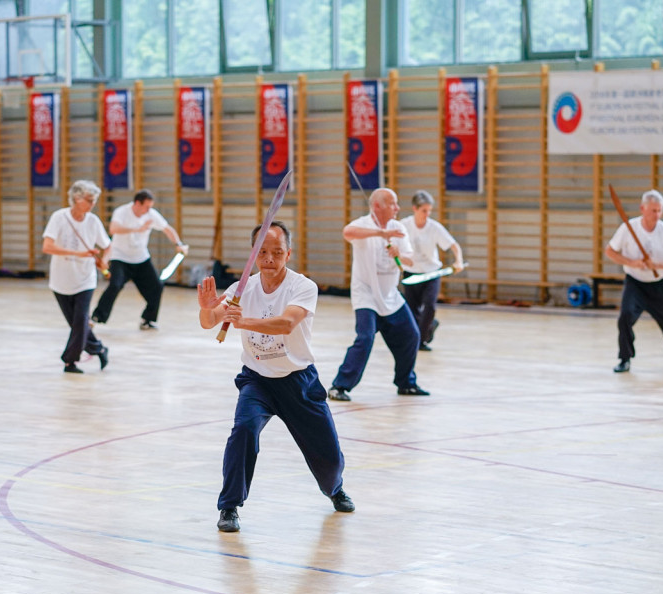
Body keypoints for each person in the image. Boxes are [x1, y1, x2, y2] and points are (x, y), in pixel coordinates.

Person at [197, 221, 354, 533]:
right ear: (254, 254)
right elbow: (210, 321)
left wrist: (241, 323)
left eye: (277, 252)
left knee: (329, 458)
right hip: (257, 381)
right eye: (263, 251)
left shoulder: (303, 287)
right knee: (243, 430)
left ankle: (334, 489)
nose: (269, 257)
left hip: (299, 382)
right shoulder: (242, 289)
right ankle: (229, 506)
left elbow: (285, 324)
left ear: (288, 253)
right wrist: (207, 308)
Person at [328, 188, 428, 401]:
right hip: (366, 296)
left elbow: (410, 261)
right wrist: (380, 234)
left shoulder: (398, 227)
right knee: (364, 339)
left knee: (412, 335)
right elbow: (348, 232)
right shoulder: (363, 224)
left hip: (391, 296)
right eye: (393, 204)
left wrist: (399, 254)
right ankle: (339, 386)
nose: (397, 208)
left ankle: (406, 383)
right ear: (377, 206)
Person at [605, 189, 663, 373]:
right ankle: (625, 358)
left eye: (659, 211)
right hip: (635, 283)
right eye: (653, 210)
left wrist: (658, 264)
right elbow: (610, 251)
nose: (656, 215)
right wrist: (632, 263)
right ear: (642, 208)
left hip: (661, 284)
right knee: (625, 318)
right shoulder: (628, 228)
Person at [90, 189, 188, 330]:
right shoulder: (122, 212)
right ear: (137, 203)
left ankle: (148, 319)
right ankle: (97, 316)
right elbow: (113, 229)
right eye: (146, 206)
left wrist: (179, 244)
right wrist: (137, 228)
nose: (149, 210)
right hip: (120, 258)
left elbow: (167, 229)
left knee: (157, 287)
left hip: (141, 258)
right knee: (115, 285)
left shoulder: (151, 215)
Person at [41, 180, 111, 374]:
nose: (92, 204)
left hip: (85, 280)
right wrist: (77, 253)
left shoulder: (93, 221)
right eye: (89, 200)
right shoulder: (59, 217)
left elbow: (107, 245)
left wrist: (105, 260)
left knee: (80, 320)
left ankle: (69, 361)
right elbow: (47, 247)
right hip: (61, 280)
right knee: (77, 325)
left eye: (94, 200)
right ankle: (99, 349)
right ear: (77, 199)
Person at [400, 190, 465, 351]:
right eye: (424, 211)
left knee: (430, 305)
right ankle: (420, 337)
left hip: (431, 273)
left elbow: (454, 246)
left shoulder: (434, 227)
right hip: (411, 273)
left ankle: (421, 340)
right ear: (415, 208)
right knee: (412, 309)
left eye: (429, 211)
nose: (427, 214)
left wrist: (459, 261)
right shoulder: (404, 225)